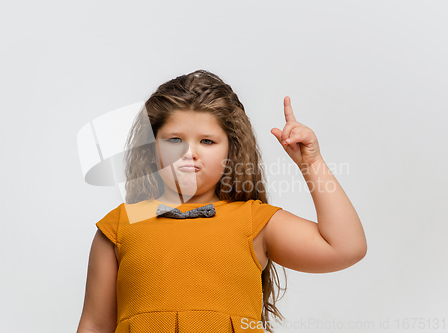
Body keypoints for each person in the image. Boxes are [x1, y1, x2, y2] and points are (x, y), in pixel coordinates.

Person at [76, 70, 367, 333]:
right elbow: (95, 325)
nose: (189, 153)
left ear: (232, 150)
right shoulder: (118, 226)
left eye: (207, 141)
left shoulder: (255, 222)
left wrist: (311, 163)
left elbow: (345, 247)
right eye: (175, 139)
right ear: (151, 148)